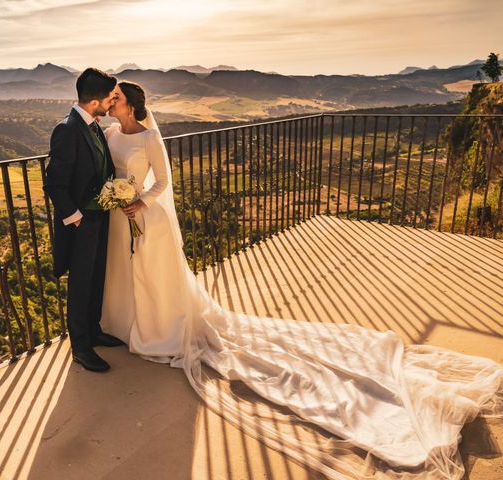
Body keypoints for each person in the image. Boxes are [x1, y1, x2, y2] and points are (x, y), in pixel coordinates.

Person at [99, 80, 503, 479]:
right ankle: (132, 324)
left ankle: (159, 329)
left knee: (157, 281)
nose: (110, 102)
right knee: (132, 277)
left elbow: (163, 182)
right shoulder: (111, 131)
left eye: (115, 97)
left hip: (144, 217)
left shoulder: (150, 136)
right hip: (122, 221)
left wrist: (138, 200)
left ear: (132, 103)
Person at [43, 67, 124, 373]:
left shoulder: (93, 125)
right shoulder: (67, 129)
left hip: (99, 216)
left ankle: (93, 330)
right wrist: (76, 219)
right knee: (80, 284)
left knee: (96, 277)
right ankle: (80, 348)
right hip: (81, 223)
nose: (110, 104)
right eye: (108, 98)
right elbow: (54, 183)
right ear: (94, 101)